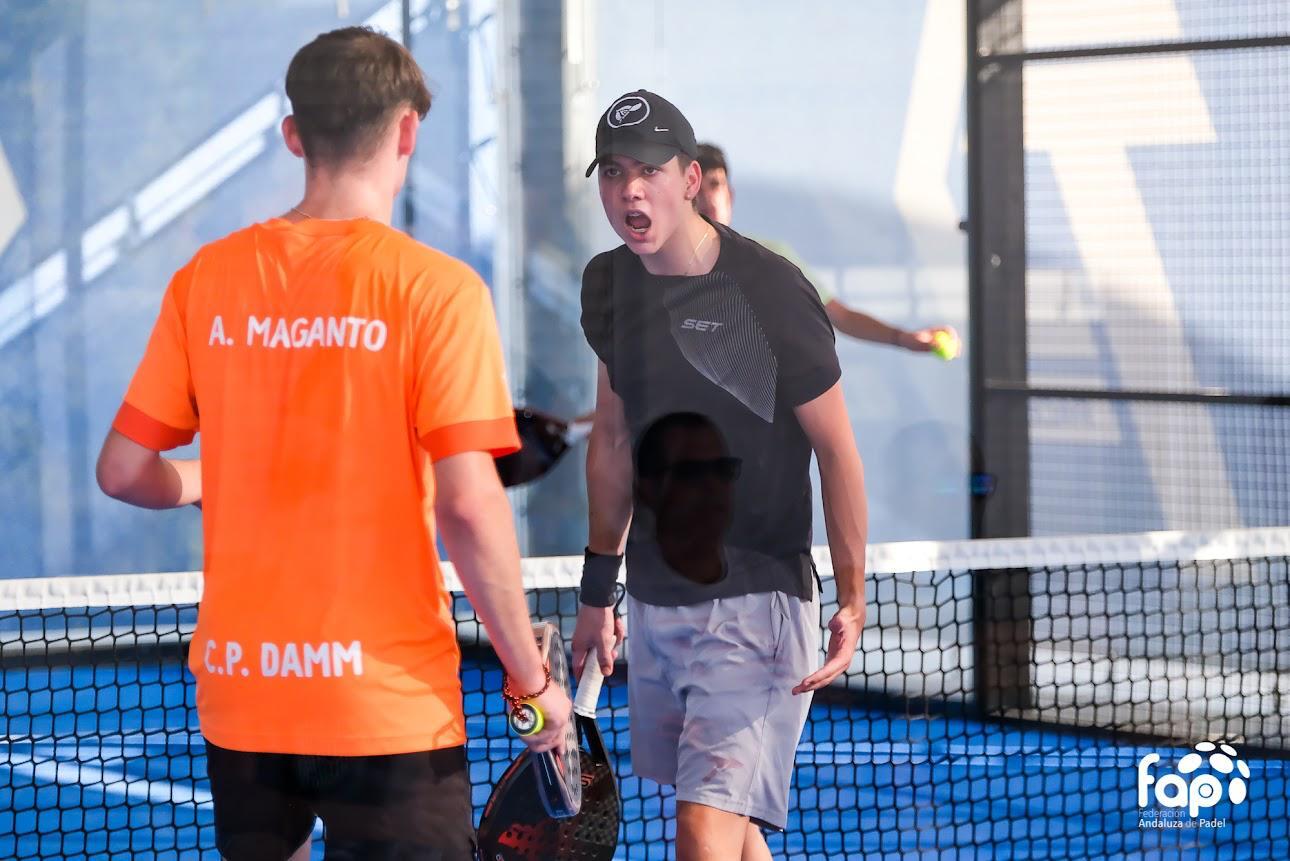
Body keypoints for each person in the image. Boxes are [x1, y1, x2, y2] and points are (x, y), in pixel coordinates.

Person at [95, 27, 569, 861]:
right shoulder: (439, 291)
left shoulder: (205, 279)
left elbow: (124, 470)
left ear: (293, 136)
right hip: (383, 706)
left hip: (243, 697)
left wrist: (220, 475)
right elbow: (467, 503)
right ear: (406, 132)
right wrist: (531, 678)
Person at [572, 90, 868, 861]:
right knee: (729, 832)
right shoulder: (607, 285)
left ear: (691, 178)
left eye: (649, 170)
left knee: (702, 829)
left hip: (759, 598)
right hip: (658, 593)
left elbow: (837, 450)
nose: (629, 189)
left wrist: (853, 598)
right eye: (612, 172)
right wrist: (596, 596)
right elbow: (610, 437)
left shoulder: (770, 290)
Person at [695, 142, 958, 354]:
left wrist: (904, 338)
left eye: (715, 184)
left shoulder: (770, 256)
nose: (708, 198)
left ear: (730, 194)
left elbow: (841, 317)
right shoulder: (662, 263)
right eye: (698, 188)